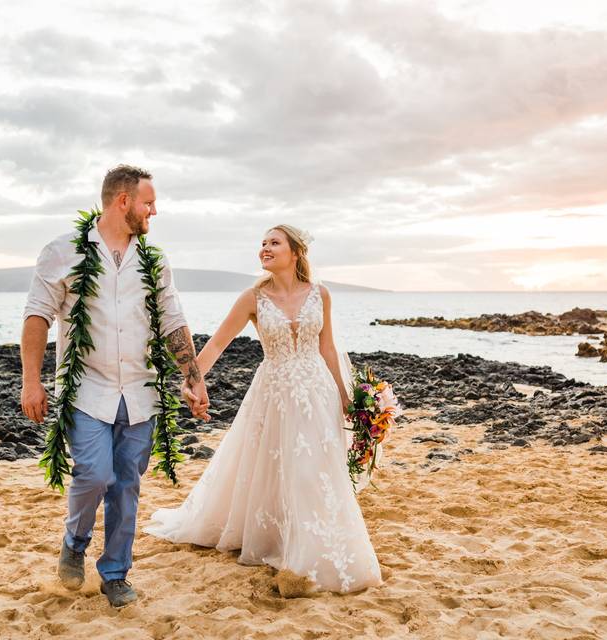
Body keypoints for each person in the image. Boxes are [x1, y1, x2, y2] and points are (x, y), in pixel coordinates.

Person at [145, 225, 382, 594]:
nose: (265, 249)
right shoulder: (252, 298)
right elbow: (217, 345)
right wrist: (192, 381)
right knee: (280, 465)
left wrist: (346, 397)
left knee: (315, 468)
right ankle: (285, 540)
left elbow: (329, 349)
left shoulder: (320, 294)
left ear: (295, 252)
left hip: (317, 390)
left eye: (274, 243)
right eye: (263, 244)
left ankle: (315, 542)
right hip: (275, 391)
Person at [19, 164, 210, 608]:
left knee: (126, 484)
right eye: (149, 202)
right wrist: (31, 381)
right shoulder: (62, 251)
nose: (154, 211)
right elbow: (37, 317)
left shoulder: (154, 260)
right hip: (86, 389)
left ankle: (115, 574)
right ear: (123, 201)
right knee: (94, 473)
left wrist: (192, 377)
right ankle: (75, 540)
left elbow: (174, 321)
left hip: (141, 392)